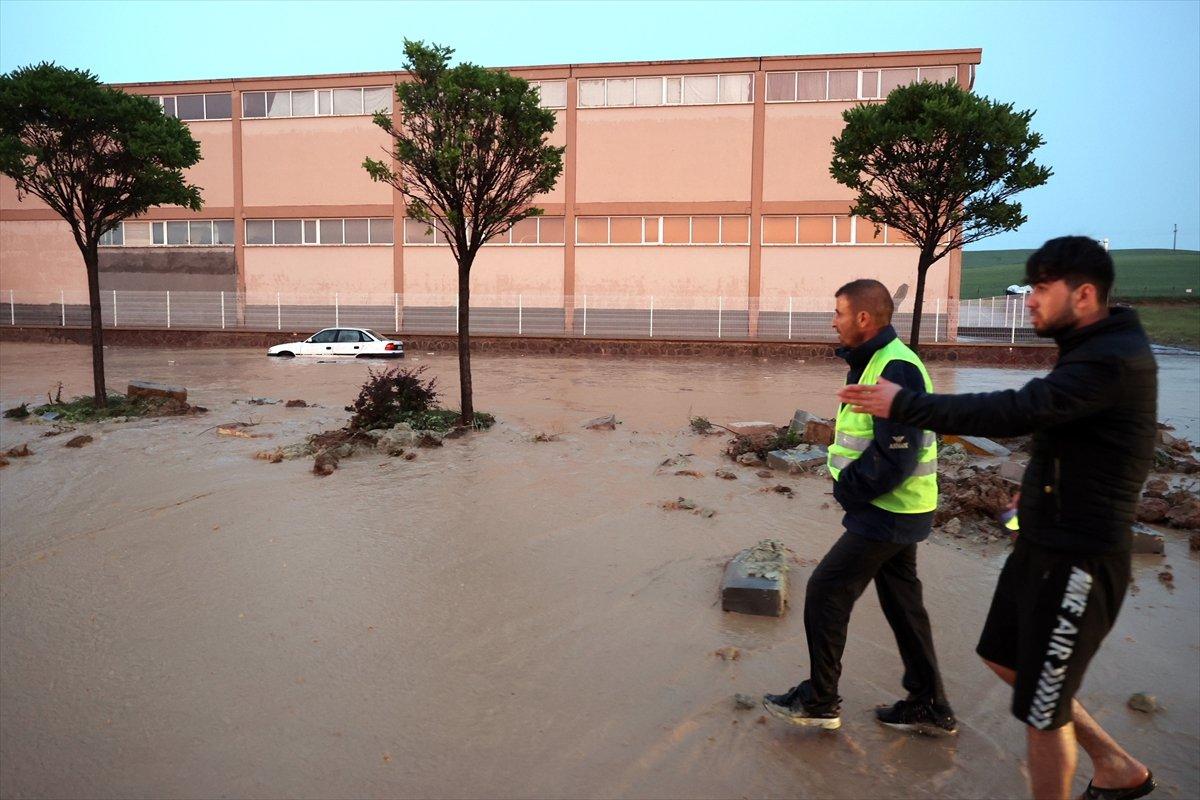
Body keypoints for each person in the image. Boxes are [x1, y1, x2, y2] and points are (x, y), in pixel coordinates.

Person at [839, 237, 1157, 800]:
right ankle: (1114, 763)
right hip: (1042, 543)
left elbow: (1018, 410)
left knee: (1043, 708)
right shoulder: (1087, 348)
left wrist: (905, 405)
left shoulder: (1112, 361)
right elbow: (1060, 449)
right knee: (1003, 658)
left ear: (1083, 295)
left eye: (1040, 288)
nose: (1028, 300)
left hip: (1081, 558)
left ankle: (1098, 772)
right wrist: (1017, 512)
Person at [763, 278, 956, 736]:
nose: (833, 321)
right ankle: (929, 704)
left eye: (839, 313)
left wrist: (848, 489)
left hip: (888, 509)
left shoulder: (895, 369)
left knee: (827, 590)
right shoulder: (875, 363)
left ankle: (820, 700)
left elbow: (898, 454)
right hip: (900, 508)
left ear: (863, 319)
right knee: (903, 603)